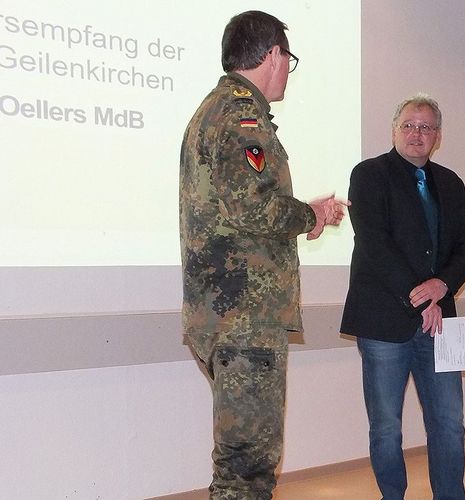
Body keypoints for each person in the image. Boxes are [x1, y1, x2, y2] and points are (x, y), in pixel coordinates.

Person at [179, 10, 347, 499]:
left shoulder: (214, 110)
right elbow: (252, 205)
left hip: (226, 315)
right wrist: (306, 217)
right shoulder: (240, 114)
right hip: (245, 318)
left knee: (240, 458)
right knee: (247, 467)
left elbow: (237, 206)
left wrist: (305, 213)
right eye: (287, 59)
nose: (286, 72)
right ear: (273, 54)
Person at [341, 93, 465, 500]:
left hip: (441, 324)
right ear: (394, 130)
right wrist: (422, 298)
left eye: (426, 127)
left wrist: (443, 285)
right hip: (385, 322)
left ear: (437, 136)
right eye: (409, 125)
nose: (416, 133)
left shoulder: (452, 183)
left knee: (450, 422)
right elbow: (375, 244)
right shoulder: (368, 175)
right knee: (386, 425)